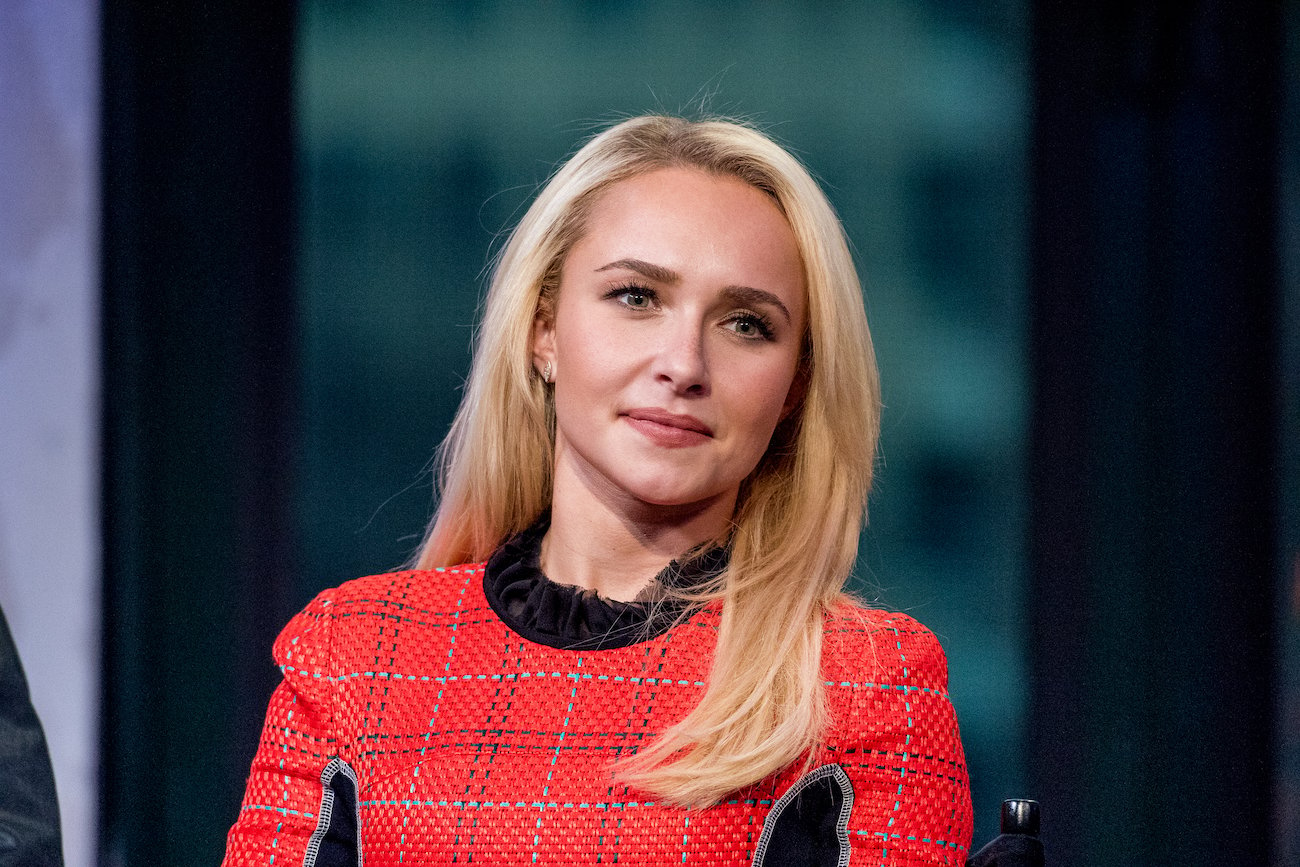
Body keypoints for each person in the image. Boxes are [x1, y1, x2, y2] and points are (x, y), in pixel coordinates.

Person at [222, 115, 973, 865]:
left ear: (794, 389)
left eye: (746, 323)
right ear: (543, 329)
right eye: (636, 296)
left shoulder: (865, 681)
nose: (684, 364)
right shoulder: (355, 652)